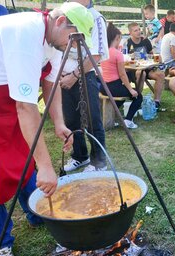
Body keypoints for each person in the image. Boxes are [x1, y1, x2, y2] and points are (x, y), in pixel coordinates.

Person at [0, 2, 92, 255]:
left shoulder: (54, 39)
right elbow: (26, 108)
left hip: (0, 96)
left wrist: (60, 123)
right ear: (61, 21)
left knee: (23, 158)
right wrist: (45, 166)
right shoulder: (26, 35)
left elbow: (50, 86)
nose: (73, 45)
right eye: (73, 38)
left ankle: (37, 212)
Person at [60, 0, 108, 173]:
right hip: (63, 77)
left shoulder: (96, 18)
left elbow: (96, 55)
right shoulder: (64, 12)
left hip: (84, 77)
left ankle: (99, 162)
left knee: (92, 120)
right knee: (71, 119)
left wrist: (74, 76)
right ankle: (80, 156)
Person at [101, 23, 143, 129]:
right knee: (138, 96)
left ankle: (113, 117)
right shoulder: (117, 53)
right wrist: (131, 90)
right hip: (114, 86)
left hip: (104, 86)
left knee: (124, 94)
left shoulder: (103, 51)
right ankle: (128, 120)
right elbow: (122, 74)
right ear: (117, 38)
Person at [126, 22, 165, 111]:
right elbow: (125, 58)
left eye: (139, 29)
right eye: (136, 30)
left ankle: (156, 102)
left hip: (147, 68)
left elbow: (152, 54)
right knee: (141, 73)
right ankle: (138, 100)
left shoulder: (145, 41)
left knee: (161, 75)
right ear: (130, 33)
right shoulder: (128, 42)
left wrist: (155, 58)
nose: (139, 32)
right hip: (133, 69)